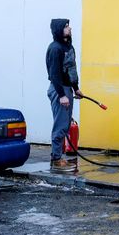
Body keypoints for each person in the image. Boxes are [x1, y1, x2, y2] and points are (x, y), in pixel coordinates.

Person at [46, 19, 83, 173]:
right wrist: (61, 95)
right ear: (59, 29)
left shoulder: (68, 47)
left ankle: (58, 158)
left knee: (65, 125)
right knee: (60, 125)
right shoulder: (55, 48)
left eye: (69, 26)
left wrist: (76, 88)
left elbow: (70, 69)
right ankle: (56, 159)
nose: (69, 28)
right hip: (59, 89)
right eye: (66, 26)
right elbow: (54, 74)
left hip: (67, 89)